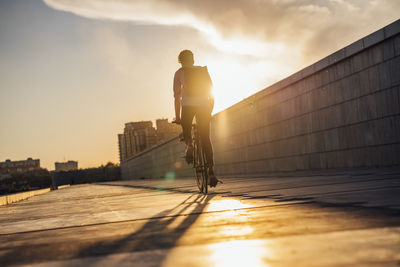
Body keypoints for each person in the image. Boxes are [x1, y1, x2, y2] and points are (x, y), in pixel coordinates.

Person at [173, 49, 220, 187]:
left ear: (180, 61)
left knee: (186, 128)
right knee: (206, 138)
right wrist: (210, 111)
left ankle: (189, 146)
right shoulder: (202, 70)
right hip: (205, 105)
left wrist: (177, 117)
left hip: (188, 106)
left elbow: (177, 96)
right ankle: (211, 172)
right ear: (192, 59)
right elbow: (212, 93)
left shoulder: (179, 73)